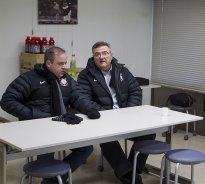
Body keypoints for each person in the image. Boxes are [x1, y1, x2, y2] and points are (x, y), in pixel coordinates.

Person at [0, 46, 100, 184]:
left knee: (86, 148)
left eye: (65, 63)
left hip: (60, 125)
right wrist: (34, 114)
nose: (64, 67)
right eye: (60, 64)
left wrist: (90, 109)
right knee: (47, 154)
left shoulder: (66, 79)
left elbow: (79, 96)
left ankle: (53, 180)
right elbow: (7, 101)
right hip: (38, 129)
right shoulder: (29, 78)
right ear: (48, 63)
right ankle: (51, 177)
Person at [77, 41, 156, 184]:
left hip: (125, 116)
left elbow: (135, 91)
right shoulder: (85, 75)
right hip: (102, 118)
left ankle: (134, 169)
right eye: (97, 54)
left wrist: (128, 111)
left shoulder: (122, 71)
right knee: (107, 139)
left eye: (105, 53)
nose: (102, 57)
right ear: (93, 57)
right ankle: (126, 174)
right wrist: (106, 114)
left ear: (111, 55)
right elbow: (84, 99)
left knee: (149, 133)